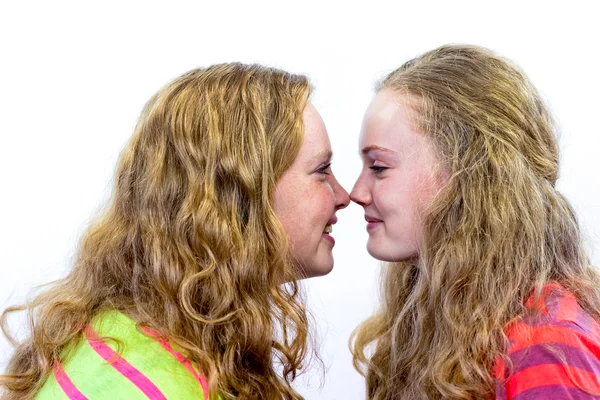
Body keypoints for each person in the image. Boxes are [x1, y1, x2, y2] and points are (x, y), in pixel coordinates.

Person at [0, 63, 349, 400]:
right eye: (322, 170)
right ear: (240, 196)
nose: (345, 196)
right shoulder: (146, 385)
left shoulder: (138, 342)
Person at [350, 44, 600, 399]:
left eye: (378, 167)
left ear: (463, 176)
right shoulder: (459, 327)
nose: (356, 192)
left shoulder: (544, 346)